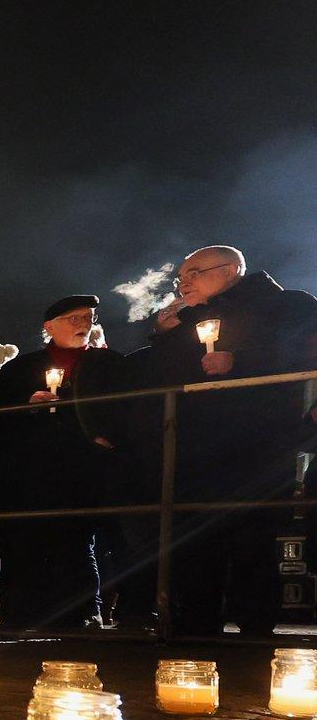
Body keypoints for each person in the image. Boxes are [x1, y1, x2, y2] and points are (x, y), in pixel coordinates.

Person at [132, 246, 317, 635]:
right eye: (180, 276)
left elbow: (303, 353)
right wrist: (163, 336)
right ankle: (196, 626)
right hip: (198, 446)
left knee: (255, 536)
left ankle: (256, 629)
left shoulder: (288, 304)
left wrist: (241, 362)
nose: (183, 282)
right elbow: (161, 378)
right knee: (197, 537)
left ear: (231, 269)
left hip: (260, 443)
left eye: (194, 273)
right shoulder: (189, 318)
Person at [0, 295, 126, 629]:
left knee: (77, 539)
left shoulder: (107, 363)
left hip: (84, 465)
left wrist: (105, 434)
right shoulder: (21, 367)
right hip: (32, 467)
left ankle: (83, 612)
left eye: (88, 317)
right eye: (73, 318)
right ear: (49, 327)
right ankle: (21, 611)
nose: (83, 324)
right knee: (27, 538)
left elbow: (125, 407)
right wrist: (27, 403)